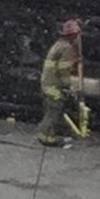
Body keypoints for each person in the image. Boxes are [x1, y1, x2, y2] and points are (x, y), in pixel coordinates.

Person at [37, 19, 86, 148]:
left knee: (53, 109)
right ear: (73, 36)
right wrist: (68, 86)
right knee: (54, 110)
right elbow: (63, 70)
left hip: (47, 83)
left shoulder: (58, 45)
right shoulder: (67, 48)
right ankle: (47, 137)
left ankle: (50, 134)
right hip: (54, 85)